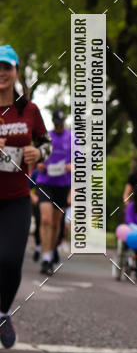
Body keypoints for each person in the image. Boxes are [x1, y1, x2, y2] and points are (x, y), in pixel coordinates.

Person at [0, 45, 52, 348]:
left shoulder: (29, 110)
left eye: (7, 67)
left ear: (16, 72)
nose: (2, 74)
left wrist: (37, 152)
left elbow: (46, 144)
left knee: (9, 260)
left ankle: (3, 312)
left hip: (17, 197)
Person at [36, 108, 71, 276]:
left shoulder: (72, 138)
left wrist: (71, 167)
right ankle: (46, 257)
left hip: (62, 184)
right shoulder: (45, 137)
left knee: (56, 223)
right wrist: (39, 164)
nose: (59, 126)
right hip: (45, 182)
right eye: (56, 124)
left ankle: (51, 250)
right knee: (45, 219)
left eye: (61, 123)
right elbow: (36, 158)